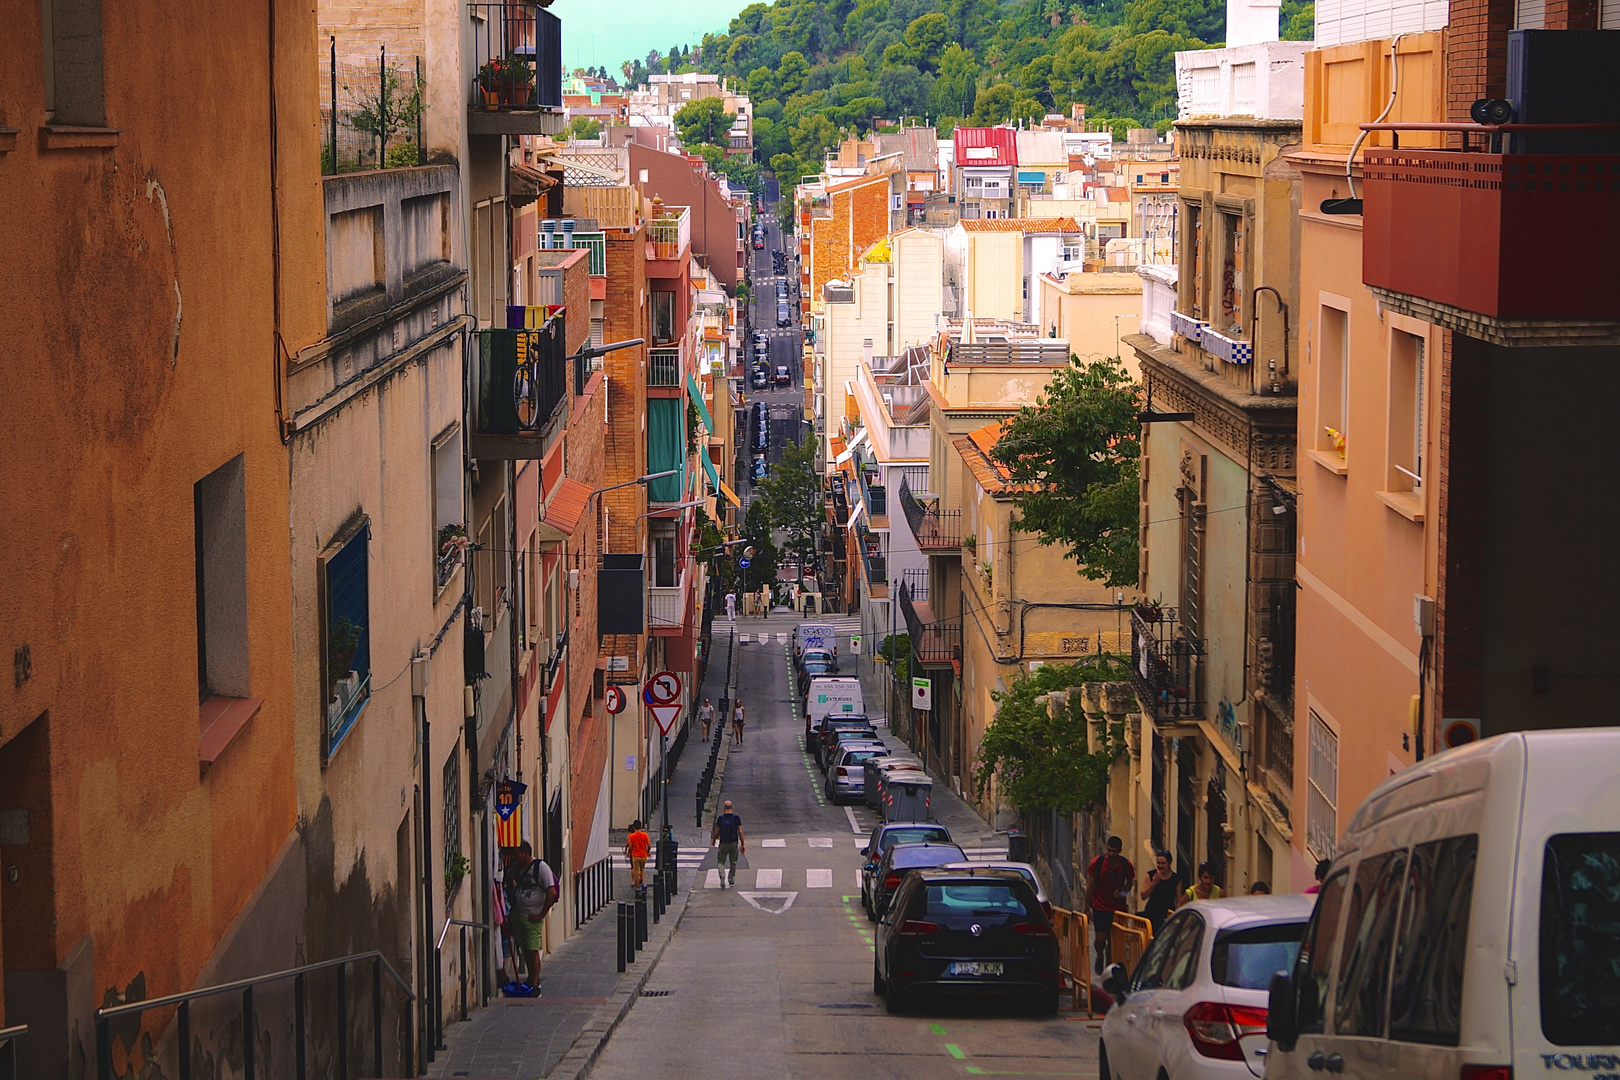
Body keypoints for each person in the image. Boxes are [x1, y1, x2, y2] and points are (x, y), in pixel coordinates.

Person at [505, 842, 558, 990]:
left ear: (525, 853)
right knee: (525, 948)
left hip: (532, 916)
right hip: (518, 914)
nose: (514, 857)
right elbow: (508, 877)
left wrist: (542, 914)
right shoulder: (516, 868)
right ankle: (529, 978)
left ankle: (534, 982)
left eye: (516, 854)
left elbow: (551, 892)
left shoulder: (541, 868)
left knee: (533, 949)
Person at [1086, 836, 1135, 973]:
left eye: (1114, 851)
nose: (1111, 854)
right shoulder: (1097, 863)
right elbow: (1089, 886)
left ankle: (1108, 969)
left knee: (1112, 942)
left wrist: (1122, 893)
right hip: (1100, 906)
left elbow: (1130, 883)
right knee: (1100, 939)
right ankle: (1100, 955)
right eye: (1109, 851)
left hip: (1118, 908)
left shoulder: (1126, 865)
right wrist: (1086, 909)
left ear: (1120, 851)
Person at [1138, 848, 1182, 934]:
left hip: (1166, 915)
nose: (1160, 866)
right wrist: (1154, 883)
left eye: (1163, 863)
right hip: (1152, 913)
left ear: (1169, 863)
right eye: (1158, 863)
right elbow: (1143, 896)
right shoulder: (1151, 875)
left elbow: (1178, 901)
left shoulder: (1176, 879)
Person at [712, 800, 746, 887]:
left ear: (724, 808)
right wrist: (742, 843)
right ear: (732, 808)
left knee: (721, 861)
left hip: (723, 842)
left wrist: (714, 839)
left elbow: (717, 832)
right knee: (733, 862)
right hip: (733, 842)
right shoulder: (736, 818)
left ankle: (722, 874)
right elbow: (740, 832)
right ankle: (731, 880)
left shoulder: (720, 819)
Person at [625, 820, 651, 891]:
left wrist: (628, 852)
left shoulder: (632, 836)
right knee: (642, 870)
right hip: (643, 855)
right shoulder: (645, 835)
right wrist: (648, 851)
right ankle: (643, 885)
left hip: (635, 855)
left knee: (636, 872)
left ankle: (637, 887)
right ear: (641, 827)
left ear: (633, 827)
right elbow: (649, 846)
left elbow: (630, 846)